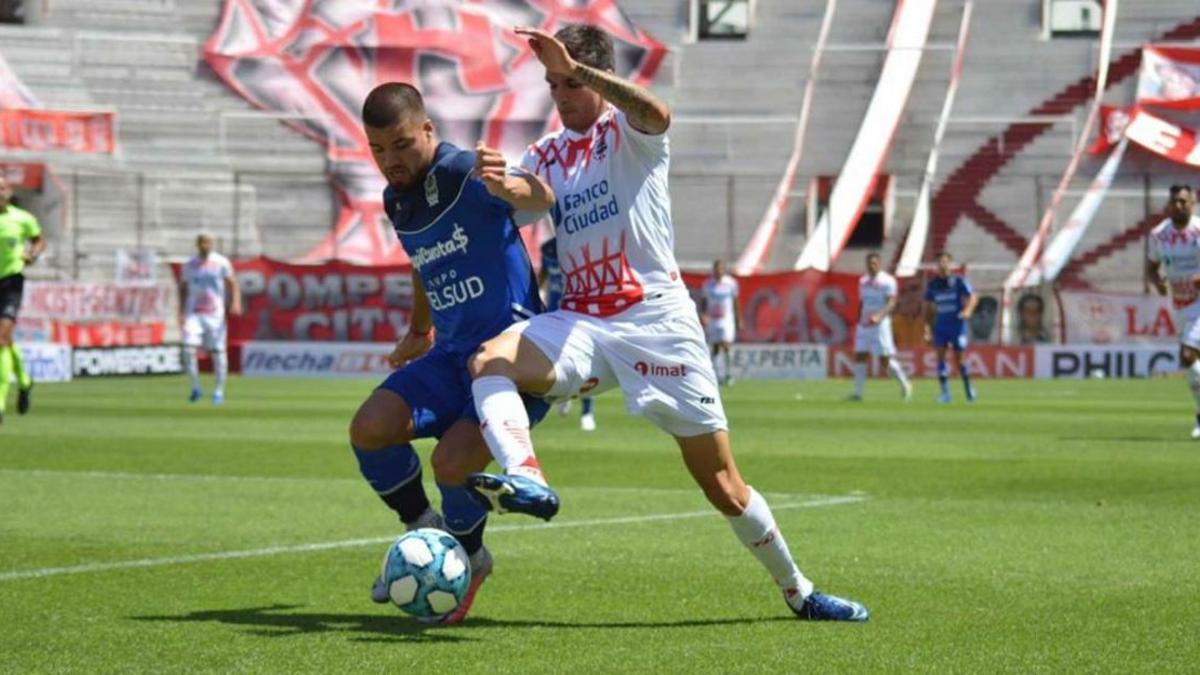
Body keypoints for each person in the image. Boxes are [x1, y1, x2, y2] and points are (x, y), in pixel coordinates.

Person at [464, 24, 867, 621]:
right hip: (582, 320)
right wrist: (501, 184)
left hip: (658, 322)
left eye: (570, 83)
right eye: (553, 85)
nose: (561, 96)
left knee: (722, 484)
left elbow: (658, 112)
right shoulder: (546, 151)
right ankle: (526, 474)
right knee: (488, 359)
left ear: (598, 79)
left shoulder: (628, 131)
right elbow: (532, 193)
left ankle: (799, 590)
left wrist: (585, 71)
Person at [349, 82, 555, 623]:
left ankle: (468, 559)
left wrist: (511, 183)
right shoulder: (397, 199)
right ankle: (427, 534)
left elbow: (540, 201)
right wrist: (420, 329)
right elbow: (423, 261)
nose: (389, 160)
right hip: (449, 356)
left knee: (451, 464)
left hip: (509, 359)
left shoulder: (464, 172)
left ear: (427, 131)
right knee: (369, 428)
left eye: (399, 144)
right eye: (377, 150)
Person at [1145, 184, 1200, 439]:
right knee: (1191, 363)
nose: (1178, 206)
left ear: (1193, 202)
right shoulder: (1159, 235)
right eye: (1174, 201)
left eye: (1183, 201)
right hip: (1181, 304)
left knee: (1188, 356)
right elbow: (1151, 267)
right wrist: (1156, 281)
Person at [0, 175, 45, 425]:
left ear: (9, 191)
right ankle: (25, 381)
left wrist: (33, 253)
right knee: (5, 341)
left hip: (11, 282)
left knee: (1, 339)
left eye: (3, 188)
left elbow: (39, 239)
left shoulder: (21, 219)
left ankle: (0, 402)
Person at [539, 235, 596, 431]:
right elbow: (543, 277)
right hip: (554, 311)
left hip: (576, 312)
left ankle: (587, 412)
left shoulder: (580, 244)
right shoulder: (546, 248)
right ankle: (564, 394)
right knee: (553, 359)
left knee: (586, 363)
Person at [179, 234, 241, 405]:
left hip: (215, 314)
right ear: (198, 244)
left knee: (217, 352)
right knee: (188, 349)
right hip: (194, 313)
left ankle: (219, 391)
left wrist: (235, 302)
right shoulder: (189, 265)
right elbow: (183, 287)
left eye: (208, 242)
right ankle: (195, 387)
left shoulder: (221, 262)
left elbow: (232, 283)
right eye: (203, 242)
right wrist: (182, 310)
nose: (206, 245)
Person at [849, 252, 911, 401]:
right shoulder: (862, 281)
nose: (872, 266)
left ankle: (904, 383)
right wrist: (859, 320)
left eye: (875, 263)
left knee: (884, 360)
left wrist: (879, 316)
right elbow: (862, 303)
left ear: (879, 263)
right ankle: (857, 393)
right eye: (869, 263)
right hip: (864, 325)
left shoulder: (887, 281)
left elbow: (891, 302)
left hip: (880, 325)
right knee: (860, 356)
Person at [923, 252, 978, 403]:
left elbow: (973, 297)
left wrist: (967, 311)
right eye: (939, 262)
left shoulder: (959, 281)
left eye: (945, 262)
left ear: (950, 264)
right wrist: (927, 329)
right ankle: (945, 394)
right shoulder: (933, 284)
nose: (942, 265)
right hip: (941, 326)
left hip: (957, 326)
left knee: (959, 361)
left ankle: (968, 389)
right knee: (940, 358)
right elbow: (928, 309)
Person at [700, 260, 740, 385]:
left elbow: (735, 302)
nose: (718, 271)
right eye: (716, 269)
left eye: (721, 269)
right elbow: (704, 301)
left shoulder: (731, 283)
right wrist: (704, 314)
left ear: (724, 270)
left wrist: (739, 319)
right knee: (715, 347)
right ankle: (717, 375)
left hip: (727, 319)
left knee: (726, 345)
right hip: (713, 319)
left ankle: (729, 374)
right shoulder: (708, 284)